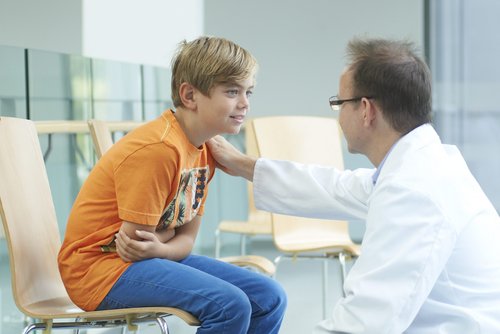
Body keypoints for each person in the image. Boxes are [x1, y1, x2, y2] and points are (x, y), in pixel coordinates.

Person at [207, 38, 500, 333]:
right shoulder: (419, 168)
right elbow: (335, 186)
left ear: (365, 110)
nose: (339, 116)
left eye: (338, 103)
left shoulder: (415, 191)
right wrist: (243, 165)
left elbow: (364, 323)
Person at [58, 36, 286, 334]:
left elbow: (184, 241)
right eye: (232, 91)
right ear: (189, 95)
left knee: (269, 297)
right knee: (229, 305)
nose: (244, 103)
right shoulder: (160, 149)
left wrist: (161, 245)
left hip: (141, 262)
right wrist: (163, 241)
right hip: (99, 272)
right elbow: (134, 248)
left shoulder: (205, 151)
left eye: (248, 92)